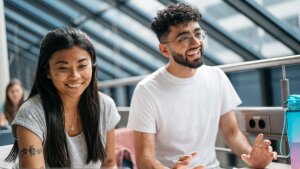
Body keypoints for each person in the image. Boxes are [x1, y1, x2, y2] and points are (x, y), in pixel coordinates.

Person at [127, 3, 277, 169]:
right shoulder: (147, 90)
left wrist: (252, 156)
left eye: (198, 33)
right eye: (184, 37)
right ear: (164, 50)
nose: (196, 42)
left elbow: (232, 133)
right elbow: (144, 160)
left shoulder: (216, 77)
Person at [5, 27, 120, 168]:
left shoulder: (105, 106)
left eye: (82, 66)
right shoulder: (31, 113)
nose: (75, 76)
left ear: (92, 66)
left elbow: (109, 164)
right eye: (63, 68)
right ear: (47, 71)